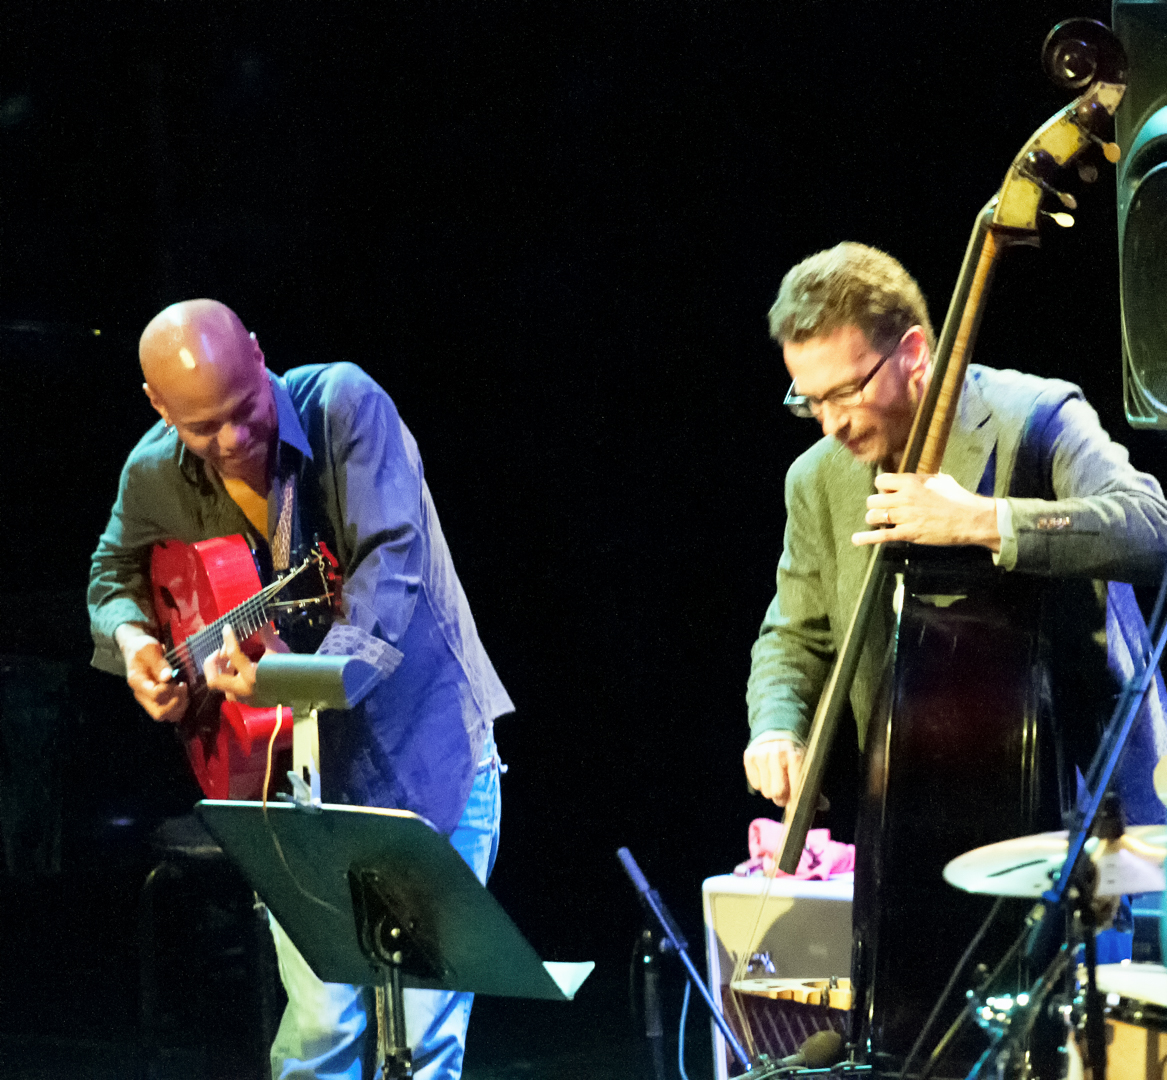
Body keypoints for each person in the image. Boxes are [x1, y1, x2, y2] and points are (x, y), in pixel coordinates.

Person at [88, 298, 513, 1080]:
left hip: (423, 749)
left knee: (423, 1040)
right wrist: (137, 641)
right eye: (200, 428)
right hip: (291, 785)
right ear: (158, 407)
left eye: (243, 411)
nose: (231, 440)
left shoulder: (343, 405)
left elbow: (391, 565)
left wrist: (287, 676)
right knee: (320, 1031)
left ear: (258, 352)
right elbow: (112, 569)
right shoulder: (153, 470)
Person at [744, 242, 1167, 808]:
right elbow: (795, 634)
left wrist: (983, 520)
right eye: (811, 400)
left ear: (914, 353)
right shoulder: (817, 480)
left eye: (846, 393)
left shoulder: (1037, 416)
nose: (830, 425)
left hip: (1085, 798)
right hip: (917, 811)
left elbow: (1149, 525)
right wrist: (776, 729)